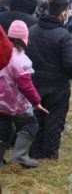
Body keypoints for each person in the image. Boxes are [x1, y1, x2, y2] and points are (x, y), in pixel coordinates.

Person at [26, 0, 72, 160]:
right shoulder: (64, 36)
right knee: (54, 120)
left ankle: (34, 151)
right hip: (57, 86)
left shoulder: (32, 30)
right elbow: (71, 65)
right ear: (63, 13)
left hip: (35, 83)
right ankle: (49, 154)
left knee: (37, 118)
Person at [0, 21, 49, 168]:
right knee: (30, 124)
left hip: (0, 102)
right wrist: (36, 101)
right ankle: (19, 156)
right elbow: (25, 85)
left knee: (5, 130)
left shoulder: (3, 52)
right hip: (13, 103)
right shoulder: (20, 59)